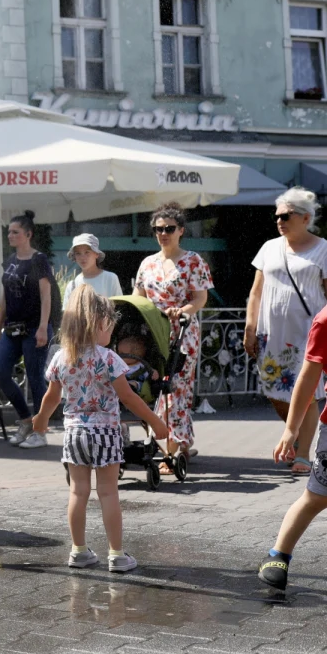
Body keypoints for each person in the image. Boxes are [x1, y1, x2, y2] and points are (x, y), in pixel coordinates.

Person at [32, 285, 169, 574]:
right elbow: (128, 397)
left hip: (73, 434)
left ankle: (79, 551)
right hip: (105, 432)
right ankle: (116, 555)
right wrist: (155, 422)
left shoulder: (61, 357)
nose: (111, 333)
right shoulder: (108, 359)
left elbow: (52, 397)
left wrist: (42, 419)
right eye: (109, 326)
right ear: (98, 324)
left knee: (78, 493)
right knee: (108, 493)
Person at [244, 188, 327, 477]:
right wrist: (250, 327)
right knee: (275, 391)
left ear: (305, 218)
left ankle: (303, 453)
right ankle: (293, 436)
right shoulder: (269, 248)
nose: (279, 220)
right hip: (272, 335)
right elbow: (256, 292)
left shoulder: (323, 249)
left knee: (307, 393)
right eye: (277, 215)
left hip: (308, 334)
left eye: (286, 215)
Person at [134, 202, 212, 472]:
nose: (163, 233)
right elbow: (138, 299)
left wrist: (182, 312)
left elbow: (200, 298)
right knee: (154, 388)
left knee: (175, 390)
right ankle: (183, 441)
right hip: (154, 334)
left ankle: (171, 450)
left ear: (181, 230)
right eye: (158, 229)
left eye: (169, 228)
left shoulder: (193, 261)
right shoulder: (147, 263)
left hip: (183, 333)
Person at [259, 299, 327, 592]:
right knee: (317, 497)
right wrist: (291, 429)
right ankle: (279, 553)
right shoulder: (325, 320)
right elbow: (309, 375)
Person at [0, 211, 55, 449]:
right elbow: (5, 296)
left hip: (33, 328)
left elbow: (46, 295)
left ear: (28, 234)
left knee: (35, 377)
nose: (10, 235)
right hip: (12, 328)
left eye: (15, 232)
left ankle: (40, 431)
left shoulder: (38, 260)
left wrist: (43, 327)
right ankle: (25, 420)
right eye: (9, 231)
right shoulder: (9, 261)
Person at [63, 234, 122, 305]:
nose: (82, 257)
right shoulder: (72, 285)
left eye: (87, 252)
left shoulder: (110, 278)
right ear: (74, 257)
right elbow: (67, 314)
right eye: (78, 253)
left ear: (96, 254)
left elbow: (119, 308)